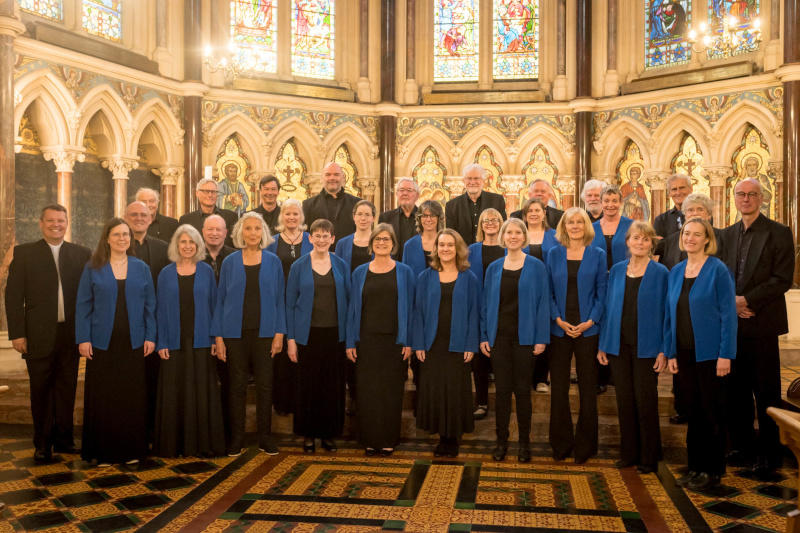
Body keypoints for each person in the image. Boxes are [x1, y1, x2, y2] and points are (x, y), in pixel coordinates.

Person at [5, 205, 91, 462]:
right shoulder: (24, 254)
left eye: (61, 221)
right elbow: (12, 297)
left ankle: (64, 439)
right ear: (41, 223)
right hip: (37, 335)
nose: (56, 225)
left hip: (70, 335)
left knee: (66, 389)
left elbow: (88, 296)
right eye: (51, 221)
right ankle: (42, 443)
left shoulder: (81, 254)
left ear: (67, 223)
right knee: (40, 390)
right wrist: (17, 334)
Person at [721, 178, 794, 476]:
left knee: (766, 392)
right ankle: (742, 447)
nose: (746, 199)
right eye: (741, 194)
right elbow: (719, 275)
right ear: (734, 198)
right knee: (735, 392)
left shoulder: (779, 232)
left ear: (761, 198)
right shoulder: (725, 235)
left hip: (761, 322)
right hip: (733, 325)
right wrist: (732, 303)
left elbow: (782, 278)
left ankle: (770, 453)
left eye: (752, 194)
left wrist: (747, 300)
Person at [76, 218, 156, 465]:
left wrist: (151, 336)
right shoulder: (93, 267)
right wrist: (83, 338)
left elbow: (150, 306)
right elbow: (83, 305)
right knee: (104, 397)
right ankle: (102, 451)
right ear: (107, 238)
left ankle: (131, 450)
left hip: (133, 343)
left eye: (126, 235)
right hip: (102, 344)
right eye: (117, 234)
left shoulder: (141, 267)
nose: (122, 239)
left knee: (130, 398)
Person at [665, 218, 737, 491]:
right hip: (683, 354)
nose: (690, 238)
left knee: (712, 413)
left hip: (711, 356)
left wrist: (725, 354)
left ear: (707, 239)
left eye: (697, 235)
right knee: (692, 412)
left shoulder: (717, 270)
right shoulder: (677, 271)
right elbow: (670, 315)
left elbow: (729, 315)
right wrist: (670, 351)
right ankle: (695, 466)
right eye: (687, 233)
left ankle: (713, 469)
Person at [212, 212, 286, 456]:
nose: (252, 233)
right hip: (234, 334)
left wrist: (279, 334)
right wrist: (219, 338)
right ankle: (237, 438)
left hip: (265, 333)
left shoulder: (273, 261)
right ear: (240, 233)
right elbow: (220, 300)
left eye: (257, 228)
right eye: (248, 229)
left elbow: (280, 300)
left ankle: (265, 437)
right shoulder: (230, 262)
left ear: (263, 232)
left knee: (266, 386)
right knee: (237, 386)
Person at [598, 221, 668, 474]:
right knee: (624, 401)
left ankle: (649, 456)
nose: (640, 243)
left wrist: (663, 349)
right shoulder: (616, 271)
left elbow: (666, 313)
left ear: (651, 244)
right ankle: (629, 452)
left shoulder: (661, 273)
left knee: (645, 401)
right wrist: (603, 345)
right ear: (627, 242)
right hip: (618, 346)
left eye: (645, 239)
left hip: (647, 347)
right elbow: (607, 310)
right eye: (636, 238)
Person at [481, 218, 549, 462]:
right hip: (499, 337)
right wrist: (483, 335)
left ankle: (524, 443)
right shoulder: (494, 268)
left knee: (522, 391)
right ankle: (501, 442)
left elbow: (543, 303)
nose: (513, 236)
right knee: (501, 393)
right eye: (508, 232)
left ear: (524, 236)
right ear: (503, 236)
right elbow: (484, 304)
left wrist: (541, 337)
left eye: (517, 232)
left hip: (525, 337)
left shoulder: (536, 266)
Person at [154, 225, 225, 458]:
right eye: (182, 242)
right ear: (176, 245)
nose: (187, 246)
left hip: (202, 340)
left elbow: (215, 305)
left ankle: (201, 444)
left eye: (191, 242)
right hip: (173, 342)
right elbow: (160, 311)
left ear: (198, 246)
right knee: (175, 392)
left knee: (201, 392)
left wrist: (216, 337)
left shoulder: (206, 271)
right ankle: (174, 445)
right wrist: (161, 341)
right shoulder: (165, 273)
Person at [346, 224, 415, 456]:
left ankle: (387, 439)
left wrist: (408, 341)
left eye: (386, 239)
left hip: (395, 341)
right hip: (366, 340)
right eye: (378, 239)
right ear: (371, 243)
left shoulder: (404, 272)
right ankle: (369, 439)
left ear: (393, 244)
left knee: (391, 391)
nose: (382, 243)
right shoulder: (359, 272)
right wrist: (350, 342)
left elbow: (411, 308)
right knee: (368, 391)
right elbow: (352, 310)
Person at [546, 208, 607, 464]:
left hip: (587, 328)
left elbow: (602, 292)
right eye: (570, 222)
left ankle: (586, 445)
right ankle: (561, 444)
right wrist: (558, 319)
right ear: (563, 226)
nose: (575, 225)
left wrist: (590, 321)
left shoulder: (598, 254)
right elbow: (546, 290)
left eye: (579, 221)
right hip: (559, 328)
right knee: (558, 389)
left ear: (586, 226)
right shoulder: (554, 253)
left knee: (587, 388)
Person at [413, 229, 479, 457]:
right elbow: (418, 313)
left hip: (459, 343)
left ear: (458, 248)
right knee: (436, 390)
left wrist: (471, 344)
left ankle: (453, 437)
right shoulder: (425, 277)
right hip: (432, 343)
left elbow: (474, 313)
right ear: (436, 249)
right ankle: (441, 436)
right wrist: (418, 343)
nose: (446, 249)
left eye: (450, 245)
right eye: (442, 245)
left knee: (455, 390)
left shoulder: (469, 277)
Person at [286, 219, 350, 453]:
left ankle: (329, 434)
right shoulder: (298, 266)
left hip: (335, 335)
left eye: (326, 236)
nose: (321, 240)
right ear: (309, 238)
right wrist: (291, 340)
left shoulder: (341, 265)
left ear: (333, 239)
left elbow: (350, 302)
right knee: (308, 386)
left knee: (332, 387)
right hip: (307, 336)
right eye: (317, 235)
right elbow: (289, 304)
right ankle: (309, 435)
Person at [124, 200, 169, 441]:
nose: (139, 218)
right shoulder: (117, 245)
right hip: (124, 325)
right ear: (125, 216)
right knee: (128, 382)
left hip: (156, 326)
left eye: (144, 214)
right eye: (134, 214)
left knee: (152, 380)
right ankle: (131, 431)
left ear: (151, 219)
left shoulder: (163, 249)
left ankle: (151, 431)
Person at [266, 198, 312, 415]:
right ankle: (283, 403)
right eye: (288, 214)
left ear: (301, 217)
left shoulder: (311, 240)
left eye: (295, 214)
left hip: (305, 304)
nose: (292, 217)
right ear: (281, 217)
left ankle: (301, 400)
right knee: (282, 353)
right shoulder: (272, 242)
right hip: (280, 302)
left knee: (302, 351)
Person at [590, 186, 632, 393]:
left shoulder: (631, 225)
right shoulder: (592, 227)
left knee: (618, 323)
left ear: (620, 202)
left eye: (614, 200)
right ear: (600, 202)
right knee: (598, 324)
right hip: (597, 283)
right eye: (606, 201)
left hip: (623, 282)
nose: (610, 205)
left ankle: (617, 373)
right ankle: (599, 376)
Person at [466, 208, 505, 420]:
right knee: (479, 358)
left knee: (500, 357)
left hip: (502, 308)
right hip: (477, 306)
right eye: (485, 220)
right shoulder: (472, 250)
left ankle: (503, 403)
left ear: (501, 223)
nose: (490, 223)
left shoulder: (509, 248)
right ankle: (481, 402)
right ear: (480, 225)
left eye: (494, 220)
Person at [445, 163, 507, 245]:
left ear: (483, 180)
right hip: (463, 254)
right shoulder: (451, 205)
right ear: (464, 181)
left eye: (476, 178)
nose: (472, 182)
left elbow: (503, 228)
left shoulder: (497, 200)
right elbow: (451, 235)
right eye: (469, 178)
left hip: (491, 250)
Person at [659, 194, 724, 271]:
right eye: (690, 210)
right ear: (685, 215)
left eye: (700, 209)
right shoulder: (671, 240)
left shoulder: (722, 237)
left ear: (709, 215)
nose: (695, 213)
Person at [303, 162, 362, 238]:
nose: (332, 178)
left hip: (348, 249)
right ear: (322, 178)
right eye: (328, 175)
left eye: (336, 174)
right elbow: (305, 235)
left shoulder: (357, 204)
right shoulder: (308, 205)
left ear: (343, 177)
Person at [178, 178, 238, 247]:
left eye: (213, 192)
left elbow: (236, 245)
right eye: (206, 191)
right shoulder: (186, 220)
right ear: (197, 193)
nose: (210, 195)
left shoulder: (231, 217)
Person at [378, 178, 419, 260]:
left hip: (418, 265)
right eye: (401, 190)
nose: (405, 193)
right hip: (393, 265)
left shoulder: (424, 217)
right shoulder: (385, 217)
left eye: (409, 190)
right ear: (396, 194)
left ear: (417, 195)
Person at [403, 200, 444, 277]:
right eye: (424, 216)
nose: (428, 219)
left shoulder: (448, 243)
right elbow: (405, 276)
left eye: (432, 215)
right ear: (419, 218)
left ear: (439, 218)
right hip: (417, 289)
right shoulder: (409, 245)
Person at [335, 200, 375, 273]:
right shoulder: (342, 244)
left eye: (367, 214)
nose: (363, 218)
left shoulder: (380, 242)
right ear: (354, 217)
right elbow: (337, 272)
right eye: (359, 214)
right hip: (349, 284)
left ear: (373, 218)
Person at [654, 174, 692, 239]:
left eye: (682, 188)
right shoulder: (661, 220)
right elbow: (658, 246)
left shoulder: (702, 215)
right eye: (674, 189)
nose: (678, 192)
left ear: (691, 188)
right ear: (669, 193)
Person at [202, 214, 235, 282]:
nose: (214, 233)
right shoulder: (194, 256)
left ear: (225, 233)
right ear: (203, 231)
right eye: (210, 229)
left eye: (218, 230)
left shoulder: (235, 257)